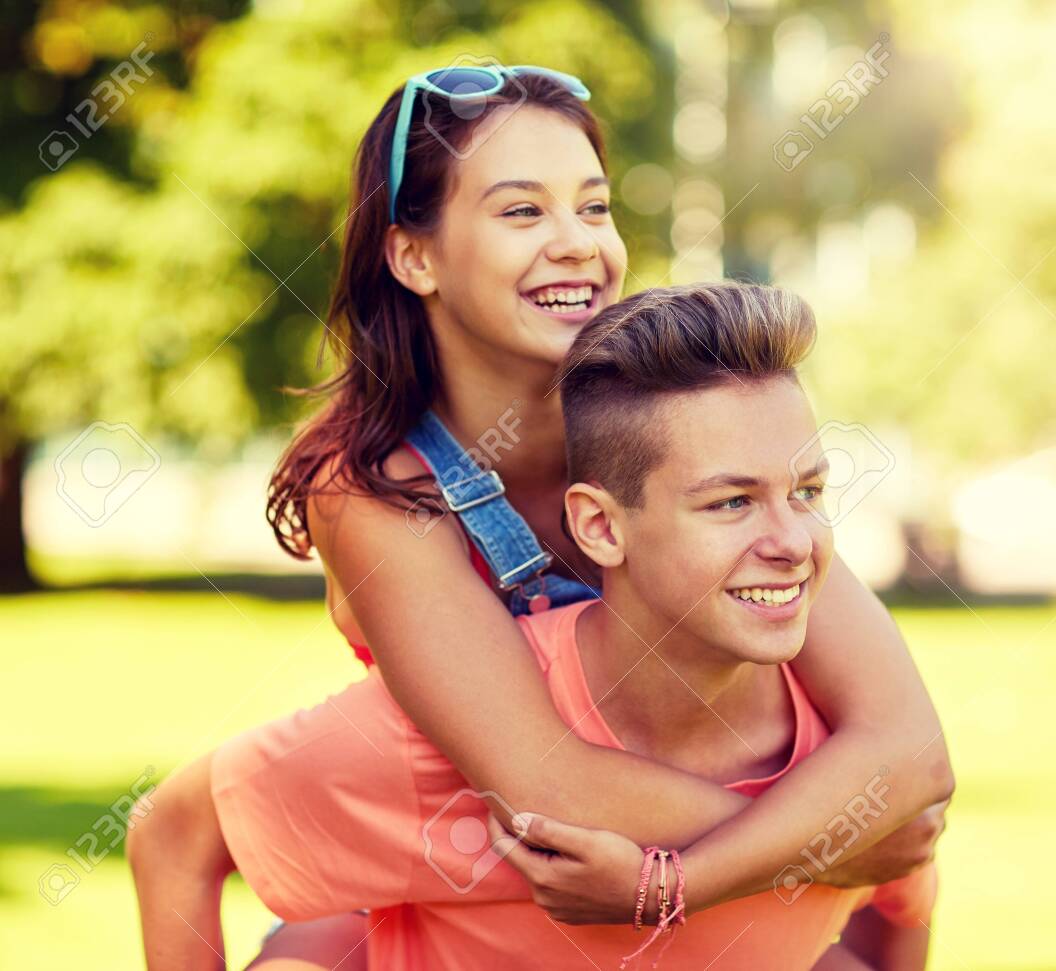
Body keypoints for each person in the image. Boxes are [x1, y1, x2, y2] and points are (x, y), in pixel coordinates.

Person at [127, 66, 952, 970]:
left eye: (593, 209)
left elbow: (904, 740)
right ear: (414, 256)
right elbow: (548, 784)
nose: (575, 243)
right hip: (448, 850)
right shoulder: (370, 484)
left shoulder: (672, 420)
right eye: (524, 212)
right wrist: (834, 844)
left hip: (638, 866)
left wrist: (741, 867)